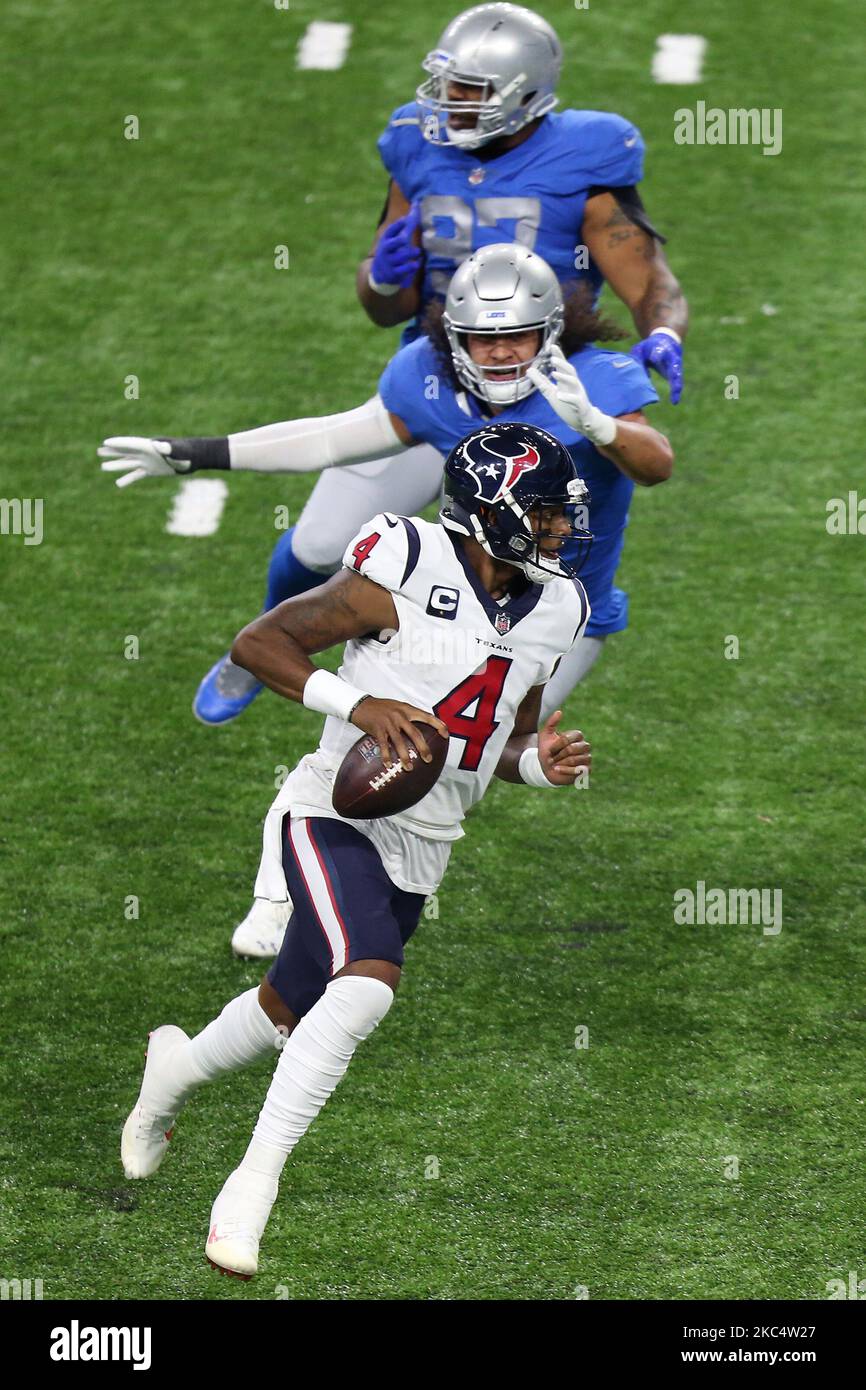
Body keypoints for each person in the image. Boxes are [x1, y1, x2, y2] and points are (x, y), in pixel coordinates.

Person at [100, 245, 672, 957]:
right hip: (453, 584)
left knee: (460, 755)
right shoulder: (425, 379)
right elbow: (333, 439)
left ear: (550, 331)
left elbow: (657, 464)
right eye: (482, 338)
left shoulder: (601, 381)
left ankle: (344, 893)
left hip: (556, 608)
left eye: (515, 336)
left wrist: (597, 424)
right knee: (379, 709)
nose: (498, 355)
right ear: (450, 338)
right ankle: (285, 888)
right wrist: (198, 451)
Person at [120, 422, 594, 1279]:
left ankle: (171, 1073)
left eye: (562, 514)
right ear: (488, 513)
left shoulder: (559, 606)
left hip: (426, 842)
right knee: (367, 983)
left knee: (287, 1007)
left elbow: (504, 744)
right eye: (543, 512)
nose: (559, 529)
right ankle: (249, 1189)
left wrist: (543, 767)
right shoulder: (406, 561)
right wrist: (358, 704)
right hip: (331, 809)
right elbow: (261, 642)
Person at [189, 2, 688, 725]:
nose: (449, 103)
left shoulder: (587, 156)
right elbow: (381, 302)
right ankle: (255, 653)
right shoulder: (416, 144)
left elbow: (651, 281)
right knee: (323, 542)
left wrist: (664, 334)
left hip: (543, 402)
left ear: (525, 92)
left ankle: (496, 723)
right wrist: (383, 278)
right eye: (448, 85)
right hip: (437, 387)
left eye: (470, 91)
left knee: (533, 589)